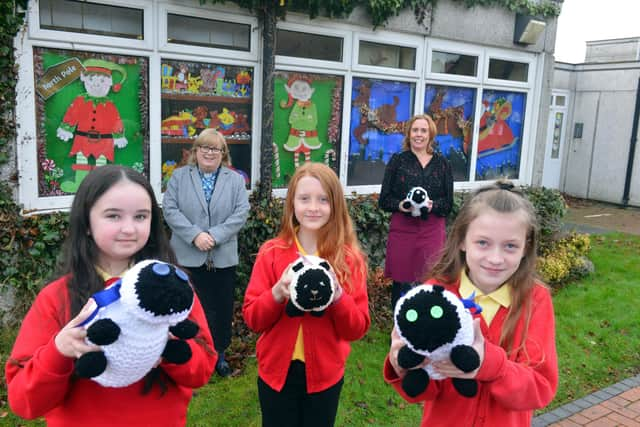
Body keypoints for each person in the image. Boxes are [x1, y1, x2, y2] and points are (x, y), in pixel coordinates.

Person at [5, 165, 216, 426]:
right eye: (113, 216)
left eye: (140, 216)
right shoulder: (57, 297)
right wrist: (59, 350)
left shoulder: (172, 289)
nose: (129, 228)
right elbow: (24, 401)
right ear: (86, 224)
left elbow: (203, 370)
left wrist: (168, 351)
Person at [383, 180, 558, 426]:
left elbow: (540, 387)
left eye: (510, 246)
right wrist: (403, 365)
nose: (495, 258)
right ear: (463, 240)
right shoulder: (434, 295)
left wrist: (488, 364)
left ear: (525, 248)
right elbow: (424, 390)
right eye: (483, 243)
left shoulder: (535, 300)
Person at [243, 162, 370, 427]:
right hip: (276, 373)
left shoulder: (348, 259)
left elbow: (356, 329)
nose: (313, 207)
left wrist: (337, 298)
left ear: (335, 205)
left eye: (323, 199)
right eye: (304, 198)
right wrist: (277, 292)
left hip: (325, 374)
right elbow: (253, 319)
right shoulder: (272, 253)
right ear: (292, 204)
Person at [163, 128, 249, 378]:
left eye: (215, 149)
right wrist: (195, 235)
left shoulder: (235, 181)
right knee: (186, 307)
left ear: (224, 154)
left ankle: (219, 355)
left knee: (220, 308)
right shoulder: (179, 177)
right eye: (204, 147)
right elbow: (170, 209)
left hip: (222, 258)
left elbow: (240, 213)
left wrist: (215, 236)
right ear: (195, 151)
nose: (209, 153)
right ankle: (189, 353)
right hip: (187, 256)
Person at [379, 113, 453, 310]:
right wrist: (401, 205)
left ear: (430, 135)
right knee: (401, 282)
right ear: (408, 133)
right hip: (403, 228)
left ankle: (427, 327)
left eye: (423, 130)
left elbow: (448, 204)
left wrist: (431, 206)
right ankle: (399, 328)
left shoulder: (442, 164)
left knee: (430, 280)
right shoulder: (398, 161)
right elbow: (384, 200)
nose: (419, 135)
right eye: (415, 130)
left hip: (432, 229)